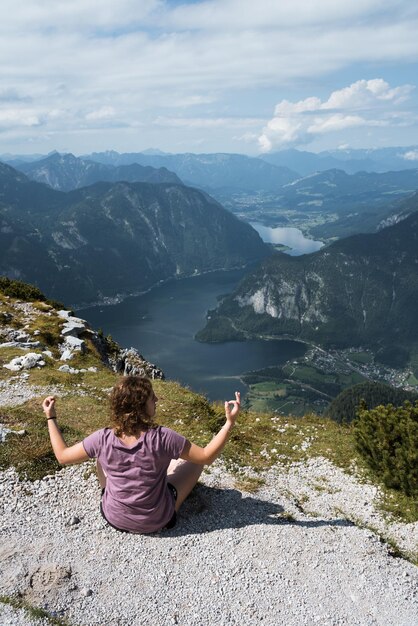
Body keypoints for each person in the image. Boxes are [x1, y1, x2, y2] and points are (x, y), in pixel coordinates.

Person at [42, 376, 240, 534]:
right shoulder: (163, 437)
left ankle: (108, 493)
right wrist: (229, 423)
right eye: (151, 397)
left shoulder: (102, 438)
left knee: (100, 458)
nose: (156, 399)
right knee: (196, 462)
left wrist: (51, 417)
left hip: (115, 518)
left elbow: (62, 456)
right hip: (157, 520)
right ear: (139, 406)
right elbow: (206, 456)